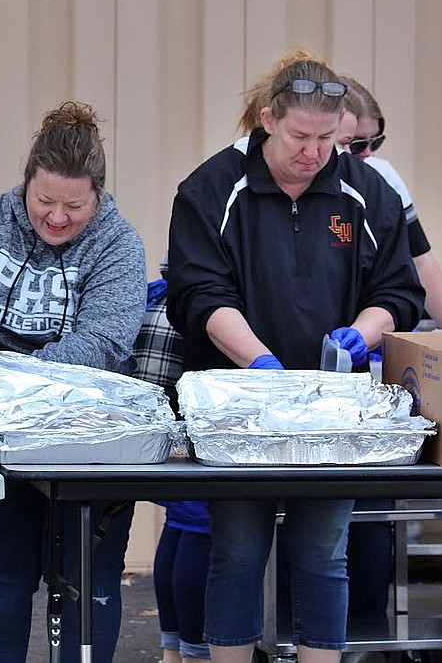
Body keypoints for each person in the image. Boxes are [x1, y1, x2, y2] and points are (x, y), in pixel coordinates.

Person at [167, 50, 423, 663]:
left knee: (321, 555)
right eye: (299, 137)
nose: (312, 153)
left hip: (335, 409)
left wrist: (366, 330)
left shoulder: (365, 193)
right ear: (265, 121)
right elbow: (199, 292)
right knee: (237, 550)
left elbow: (399, 291)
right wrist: (259, 365)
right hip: (242, 405)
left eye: (327, 140)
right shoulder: (211, 189)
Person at [0, 101, 146, 663]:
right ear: (25, 184)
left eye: (74, 206)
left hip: (88, 442)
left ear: (97, 195)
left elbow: (104, 343)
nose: (56, 217)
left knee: (87, 579)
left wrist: (6, 381)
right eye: (44, 201)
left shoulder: (119, 244)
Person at [133, 262, 211, 663]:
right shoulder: (198, 296)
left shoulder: (160, 292)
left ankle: (174, 650)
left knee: (181, 526)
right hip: (187, 414)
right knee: (201, 524)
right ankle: (194, 652)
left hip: (156, 420)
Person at [339, 76, 442, 324]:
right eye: (357, 144)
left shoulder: (383, 176)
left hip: (372, 321)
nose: (368, 152)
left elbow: (421, 261)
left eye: (376, 141)